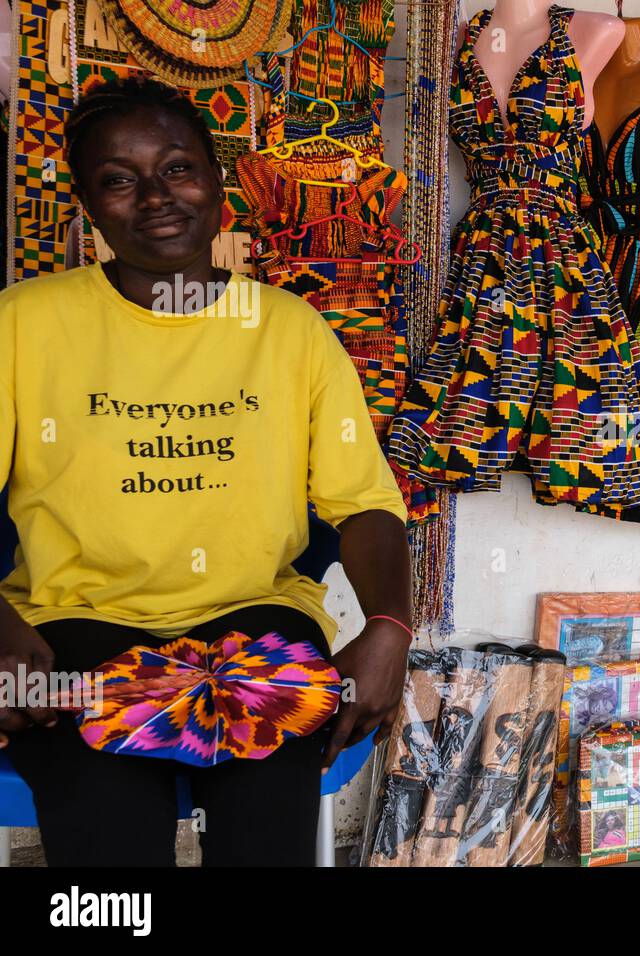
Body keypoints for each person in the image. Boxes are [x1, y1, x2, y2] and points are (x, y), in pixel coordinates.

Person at [0, 76, 413, 866]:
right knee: (107, 828)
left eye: (178, 168)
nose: (156, 196)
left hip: (257, 624)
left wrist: (389, 630)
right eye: (119, 180)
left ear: (221, 184)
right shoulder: (23, 324)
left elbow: (365, 507)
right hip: (74, 627)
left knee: (267, 818)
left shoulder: (289, 331)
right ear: (88, 204)